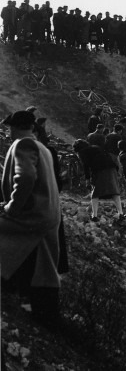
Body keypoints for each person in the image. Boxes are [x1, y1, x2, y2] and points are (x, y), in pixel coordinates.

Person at [0, 110, 62, 328]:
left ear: (15, 128)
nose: (8, 133)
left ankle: (10, 290)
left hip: (31, 216)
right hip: (47, 214)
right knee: (40, 269)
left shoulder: (22, 145)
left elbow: (25, 177)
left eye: (9, 129)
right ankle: (35, 309)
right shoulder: (42, 147)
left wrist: (12, 207)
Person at [73, 139, 123, 222]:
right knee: (114, 191)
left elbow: (86, 167)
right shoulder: (96, 147)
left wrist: (87, 180)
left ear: (77, 149)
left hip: (100, 171)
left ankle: (94, 215)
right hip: (112, 168)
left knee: (95, 193)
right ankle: (120, 213)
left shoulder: (82, 152)